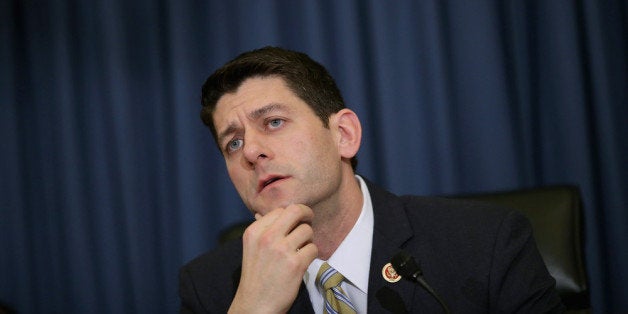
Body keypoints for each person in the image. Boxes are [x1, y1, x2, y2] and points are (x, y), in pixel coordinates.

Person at [179, 46, 564, 313]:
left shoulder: (485, 242)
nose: (250, 152)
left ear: (344, 135)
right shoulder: (212, 287)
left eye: (274, 122)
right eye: (233, 143)